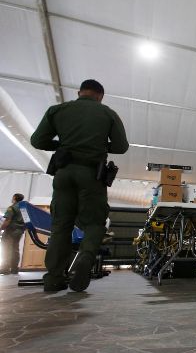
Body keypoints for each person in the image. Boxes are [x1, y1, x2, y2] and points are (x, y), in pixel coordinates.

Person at [30, 79, 129, 292]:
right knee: (94, 223)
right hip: (91, 174)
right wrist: (100, 145)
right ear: (100, 96)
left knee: (60, 226)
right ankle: (84, 258)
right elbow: (121, 147)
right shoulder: (107, 114)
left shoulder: (57, 110)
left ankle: (54, 278)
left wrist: (62, 144)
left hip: (63, 172)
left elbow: (38, 141)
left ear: (79, 92)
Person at [0, 193, 27, 275]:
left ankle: (5, 269)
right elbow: (27, 220)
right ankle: (15, 269)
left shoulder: (11, 208)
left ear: (14, 198)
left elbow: (7, 220)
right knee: (15, 249)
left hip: (10, 231)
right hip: (19, 232)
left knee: (6, 249)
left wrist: (1, 228)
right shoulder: (24, 208)